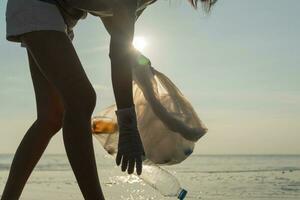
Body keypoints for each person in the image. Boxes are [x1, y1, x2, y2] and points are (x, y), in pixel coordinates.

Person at [2, 0, 216, 199]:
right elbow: (119, 50)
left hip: (57, 15)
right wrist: (128, 125)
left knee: (51, 117)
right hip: (38, 5)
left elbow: (116, 27)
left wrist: (139, 60)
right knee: (81, 99)